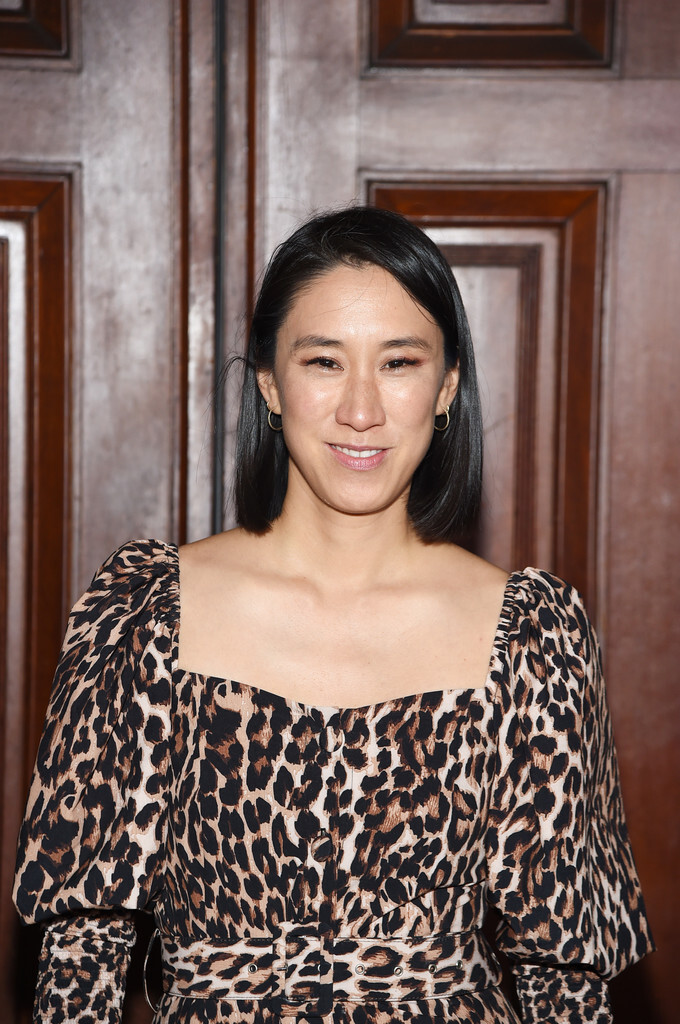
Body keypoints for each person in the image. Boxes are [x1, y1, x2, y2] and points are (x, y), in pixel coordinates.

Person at [13, 207, 653, 1024]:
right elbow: (79, 969)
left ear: (446, 387)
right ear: (270, 385)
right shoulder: (145, 619)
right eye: (323, 361)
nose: (360, 409)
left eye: (399, 363)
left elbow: (566, 986)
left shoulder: (535, 640)